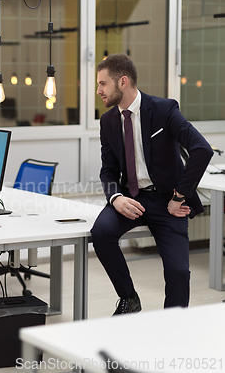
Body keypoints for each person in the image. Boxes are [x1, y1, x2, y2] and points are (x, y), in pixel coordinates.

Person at [91, 54, 213, 315]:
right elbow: (108, 170)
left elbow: (202, 149)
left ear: (122, 82)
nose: (98, 90)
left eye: (103, 84)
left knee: (179, 271)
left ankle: (171, 328)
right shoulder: (108, 121)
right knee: (100, 233)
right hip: (130, 198)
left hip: (168, 201)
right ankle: (129, 298)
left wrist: (180, 196)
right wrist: (116, 198)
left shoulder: (164, 110)